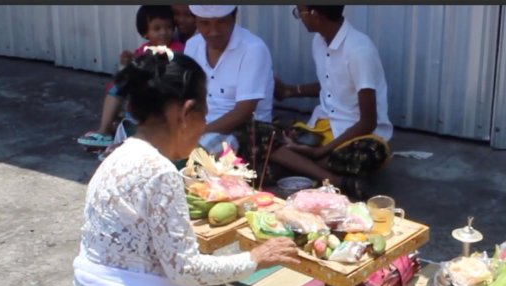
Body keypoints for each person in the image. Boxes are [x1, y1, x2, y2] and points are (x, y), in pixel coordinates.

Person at [26, 49, 300, 286]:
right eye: (203, 116)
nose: (204, 127)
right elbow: (185, 269)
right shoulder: (159, 173)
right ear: (185, 112)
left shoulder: (119, 153)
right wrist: (256, 257)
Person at [270, 5, 393, 200]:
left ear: (315, 15)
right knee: (266, 137)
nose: (299, 17)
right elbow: (332, 86)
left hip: (359, 135)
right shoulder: (319, 42)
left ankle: (299, 161)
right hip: (323, 127)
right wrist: (291, 91)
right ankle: (337, 180)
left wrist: (320, 151)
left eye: (298, 12)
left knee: (370, 155)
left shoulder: (359, 50)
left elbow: (368, 122)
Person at [77, 5, 186, 150]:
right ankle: (104, 131)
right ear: (145, 33)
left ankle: (121, 138)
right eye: (157, 28)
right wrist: (126, 64)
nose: (164, 32)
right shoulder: (142, 51)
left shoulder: (178, 48)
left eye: (168, 27)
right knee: (117, 86)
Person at [182, 5, 275, 161]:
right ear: (196, 22)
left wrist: (200, 131)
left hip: (244, 133)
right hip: (201, 127)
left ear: (234, 17)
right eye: (205, 23)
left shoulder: (253, 49)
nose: (214, 31)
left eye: (221, 22)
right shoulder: (192, 45)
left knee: (194, 153)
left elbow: (244, 112)